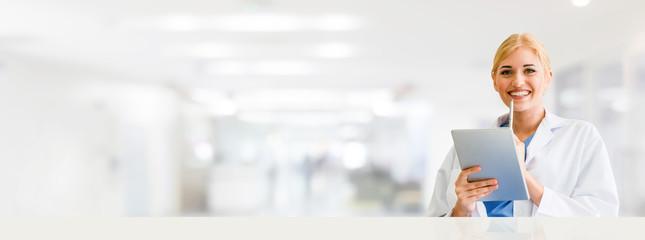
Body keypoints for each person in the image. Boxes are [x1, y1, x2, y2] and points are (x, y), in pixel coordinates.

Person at [426, 33, 619, 217]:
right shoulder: (464, 149)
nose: (518, 81)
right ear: (495, 81)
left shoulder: (581, 137)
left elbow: (600, 216)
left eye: (529, 70)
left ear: (547, 78)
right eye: (507, 72)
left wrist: (523, 176)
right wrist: (462, 208)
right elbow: (435, 224)